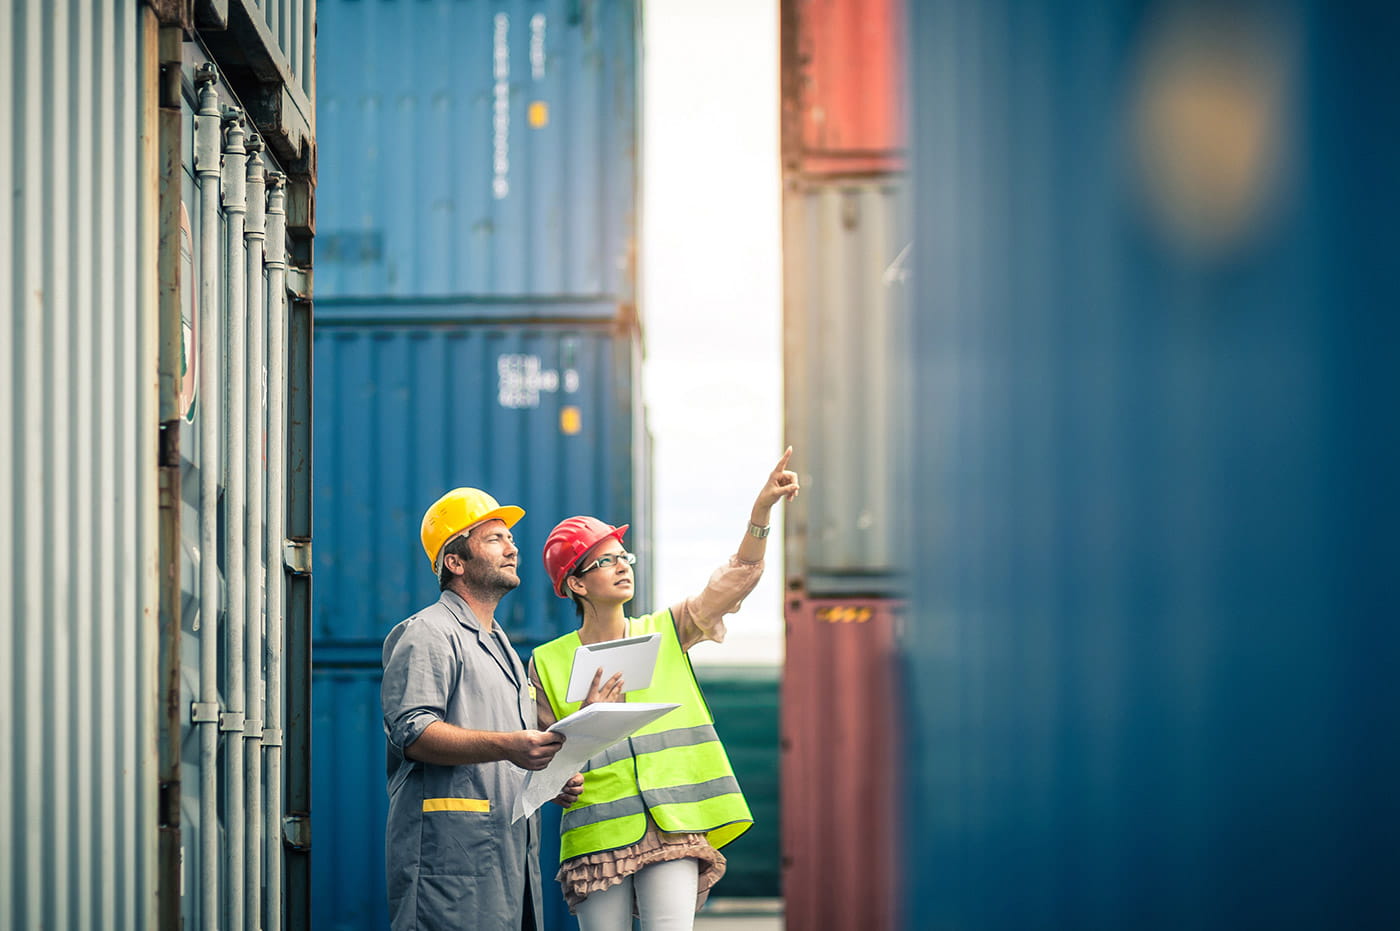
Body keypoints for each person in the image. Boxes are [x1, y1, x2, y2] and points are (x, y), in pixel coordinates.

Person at [529, 449, 801, 930]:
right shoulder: (546, 662)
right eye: (604, 561)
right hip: (597, 836)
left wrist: (760, 514)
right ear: (576, 583)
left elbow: (736, 580)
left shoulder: (668, 629)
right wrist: (578, 742)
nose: (621, 565)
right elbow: (543, 766)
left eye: (622, 556)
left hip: (673, 823)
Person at [381, 487, 585, 931]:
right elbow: (412, 733)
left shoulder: (504, 648)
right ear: (455, 562)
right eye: (494, 538)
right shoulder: (428, 633)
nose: (512, 547)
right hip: (451, 863)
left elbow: (508, 751)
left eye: (510, 538)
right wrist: (510, 746)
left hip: (508, 863)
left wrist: (548, 779)